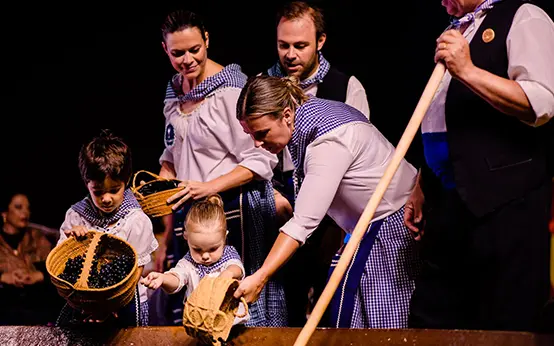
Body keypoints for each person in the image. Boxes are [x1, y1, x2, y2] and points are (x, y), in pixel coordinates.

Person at [405, 0, 554, 332]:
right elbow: (442, 117)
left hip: (505, 203)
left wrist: (467, 70)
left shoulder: (525, 16)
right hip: (448, 202)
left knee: (504, 323)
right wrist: (421, 183)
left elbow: (541, 103)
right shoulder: (456, 29)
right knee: (431, 319)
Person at [234, 75, 420, 328]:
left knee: (381, 327)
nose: (256, 142)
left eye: (261, 132)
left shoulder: (327, 142)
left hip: (391, 228)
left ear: (286, 115)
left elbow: (302, 224)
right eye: (250, 134)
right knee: (354, 316)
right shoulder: (314, 114)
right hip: (366, 228)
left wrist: (261, 277)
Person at [153, 9, 287, 327]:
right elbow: (174, 152)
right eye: (177, 53)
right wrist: (163, 185)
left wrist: (210, 186)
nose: (186, 59)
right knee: (193, 303)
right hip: (191, 216)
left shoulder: (231, 91)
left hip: (231, 211)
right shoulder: (174, 95)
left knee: (233, 307)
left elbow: (262, 157)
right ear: (164, 50)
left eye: (194, 50)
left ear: (207, 41)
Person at [264, 1, 372, 325]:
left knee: (330, 302)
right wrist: (273, 195)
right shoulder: (263, 85)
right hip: (281, 206)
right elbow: (253, 150)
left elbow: (360, 153)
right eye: (284, 45)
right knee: (286, 305)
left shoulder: (346, 86)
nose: (290, 54)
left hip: (333, 213)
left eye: (300, 45)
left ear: (320, 42)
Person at [56, 130, 158, 327]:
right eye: (98, 191)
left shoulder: (136, 220)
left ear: (126, 181)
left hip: (125, 303)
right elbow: (63, 264)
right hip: (84, 301)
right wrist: (73, 242)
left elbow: (136, 270)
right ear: (87, 185)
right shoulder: (76, 216)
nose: (106, 198)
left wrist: (109, 307)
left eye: (114, 190)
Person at [141, 195, 248, 324]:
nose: (205, 256)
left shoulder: (228, 255)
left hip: (230, 323)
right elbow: (177, 278)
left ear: (224, 238)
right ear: (186, 237)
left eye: (213, 249)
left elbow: (236, 268)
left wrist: (227, 274)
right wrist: (163, 279)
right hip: (199, 322)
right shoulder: (188, 263)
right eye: (197, 249)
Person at [0, 192, 63, 325]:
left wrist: (38, 276)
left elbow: (57, 268)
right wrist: (3, 277)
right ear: (4, 213)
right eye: (18, 207)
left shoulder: (38, 237)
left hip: (36, 309)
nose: (25, 212)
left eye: (28, 208)